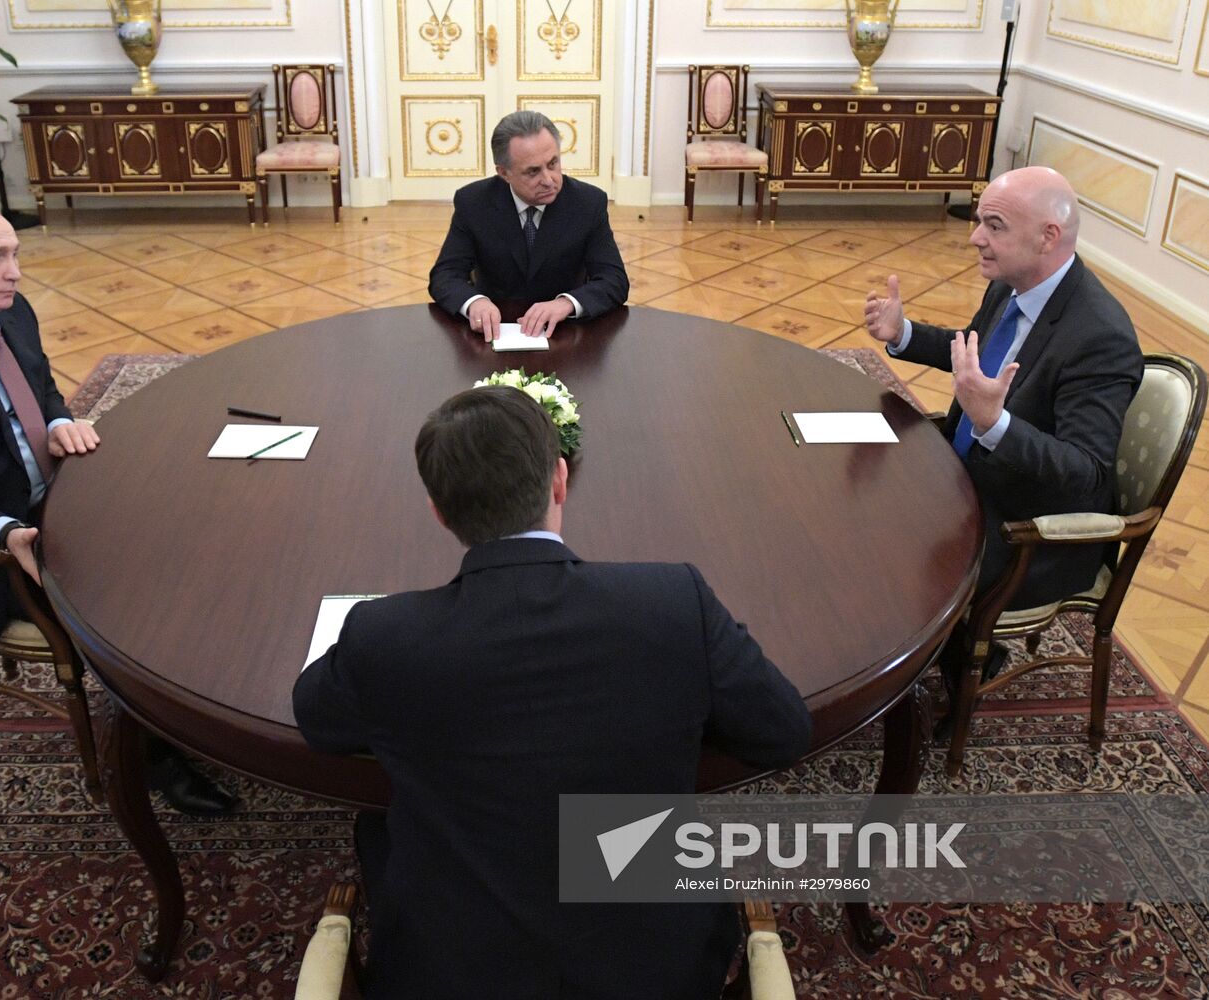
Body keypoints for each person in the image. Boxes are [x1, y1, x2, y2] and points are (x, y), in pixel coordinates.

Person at [293, 385, 812, 999]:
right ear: (560, 481)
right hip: (655, 969)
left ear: (437, 509)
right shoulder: (673, 605)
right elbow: (784, 731)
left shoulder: (384, 636)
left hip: (451, 974)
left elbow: (317, 718)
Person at [0, 200, 235, 816]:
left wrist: (58, 418)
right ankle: (155, 752)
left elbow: (40, 386)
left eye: (15, 255)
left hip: (54, 492)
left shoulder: (7, 310)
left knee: (186, 518)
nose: (15, 272)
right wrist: (6, 531)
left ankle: (196, 693)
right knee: (127, 595)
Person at [862, 167, 1143, 707]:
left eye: (994, 225)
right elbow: (976, 351)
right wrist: (904, 333)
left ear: (1048, 237)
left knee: (903, 556)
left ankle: (935, 671)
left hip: (1027, 525)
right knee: (867, 495)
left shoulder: (1099, 337)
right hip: (971, 477)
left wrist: (994, 425)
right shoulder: (1014, 284)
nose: (975, 238)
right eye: (977, 221)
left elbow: (1086, 473)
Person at [428, 110, 629, 342]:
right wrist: (475, 302)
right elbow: (445, 275)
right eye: (533, 171)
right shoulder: (473, 202)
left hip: (564, 334)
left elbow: (614, 279)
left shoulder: (588, 203)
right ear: (504, 173)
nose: (548, 179)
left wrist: (567, 303)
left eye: (553, 163)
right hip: (495, 332)